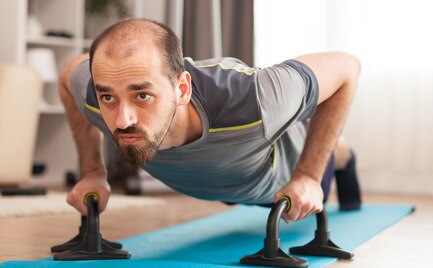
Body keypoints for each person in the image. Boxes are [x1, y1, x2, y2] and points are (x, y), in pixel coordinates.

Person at [59, 18, 362, 223]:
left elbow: (347, 67)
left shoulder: (255, 96)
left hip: (279, 180)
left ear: (182, 90)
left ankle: (344, 156)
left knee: (335, 152)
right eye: (109, 98)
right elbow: (68, 71)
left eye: (142, 96)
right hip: (222, 178)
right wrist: (92, 171)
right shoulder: (95, 93)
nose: (123, 120)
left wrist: (308, 176)